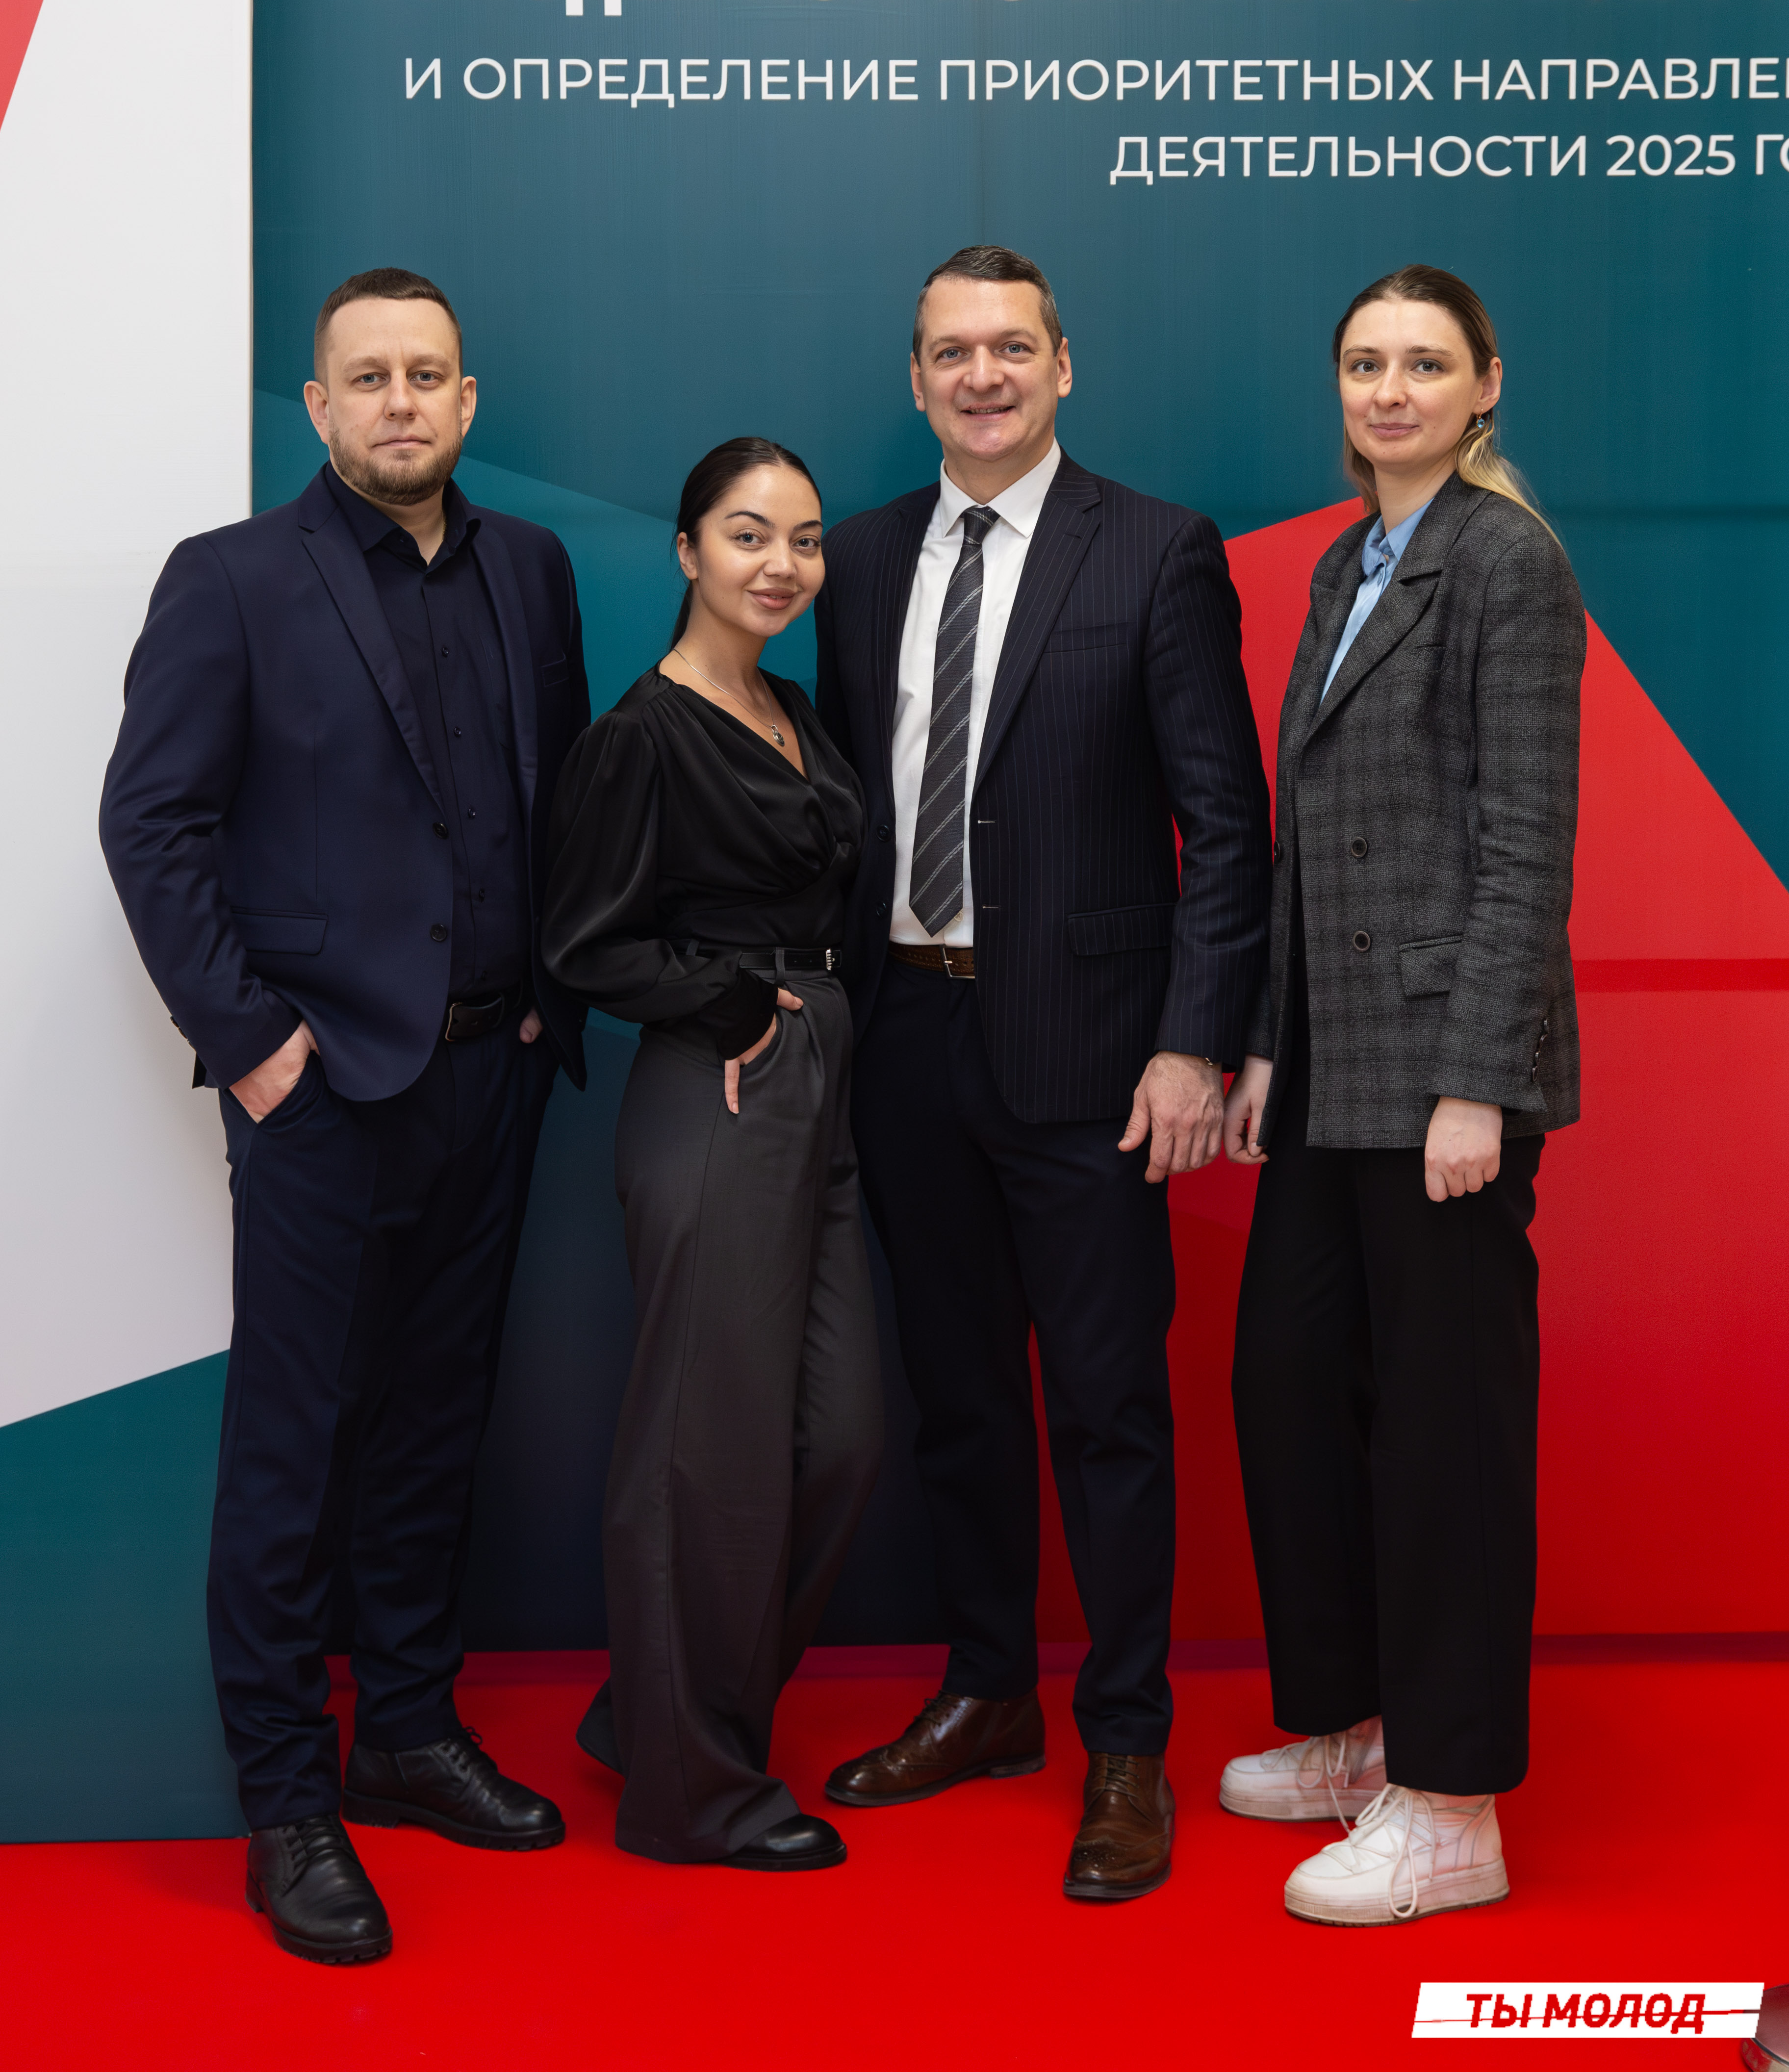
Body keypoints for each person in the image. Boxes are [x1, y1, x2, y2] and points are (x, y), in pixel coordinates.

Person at [99, 268, 589, 1966]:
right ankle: (286, 1802)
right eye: (366, 377)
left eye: (426, 375)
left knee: (439, 1426)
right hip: (320, 1095)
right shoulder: (232, 579)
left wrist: (542, 1003)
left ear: (467, 400)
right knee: (294, 1450)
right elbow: (151, 825)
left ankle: (409, 1733)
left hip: (490, 1073)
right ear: (318, 407)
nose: (399, 402)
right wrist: (256, 1050)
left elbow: (551, 799)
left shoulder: (532, 569)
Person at [814, 244, 1271, 1902]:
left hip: (1096, 1063)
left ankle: (1127, 1740)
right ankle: (991, 1693)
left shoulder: (1155, 550)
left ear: (1064, 366)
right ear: (916, 378)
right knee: (958, 1400)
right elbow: (843, 810)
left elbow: (1226, 826)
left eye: (1013, 347)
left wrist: (1193, 1041)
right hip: (907, 1041)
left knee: (1108, 1411)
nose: (983, 375)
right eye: (954, 351)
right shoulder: (862, 561)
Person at [1220, 263, 1585, 1926]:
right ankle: (1358, 1731)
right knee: (1291, 1387)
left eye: (1425, 364)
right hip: (1326, 1063)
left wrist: (1480, 1087)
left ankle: (1452, 1806)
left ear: (1484, 384)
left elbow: (1527, 841)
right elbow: (1304, 844)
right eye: (1365, 362)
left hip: (1443, 1071)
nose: (1390, 390)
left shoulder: (1507, 560)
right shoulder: (1344, 562)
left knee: (1445, 1436)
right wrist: (1266, 1045)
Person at [541, 436, 880, 1873]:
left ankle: (658, 1711)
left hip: (822, 1078)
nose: (781, 565)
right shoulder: (644, 732)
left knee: (841, 1436)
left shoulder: (789, 706)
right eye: (748, 535)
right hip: (722, 1083)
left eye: (803, 539)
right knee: (704, 1450)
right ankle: (695, 1797)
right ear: (687, 551)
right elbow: (580, 941)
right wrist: (734, 1005)